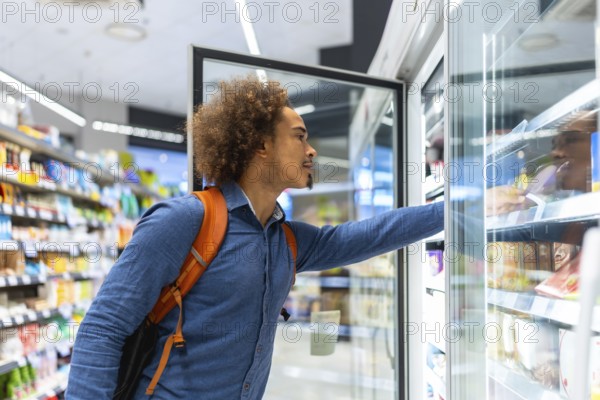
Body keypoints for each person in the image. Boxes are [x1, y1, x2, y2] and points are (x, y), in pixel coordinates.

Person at [66, 76, 444, 399]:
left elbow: (365, 236)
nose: (312, 151)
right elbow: (103, 327)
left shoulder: (287, 240)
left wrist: (456, 206)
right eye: (299, 137)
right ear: (261, 145)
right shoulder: (185, 220)